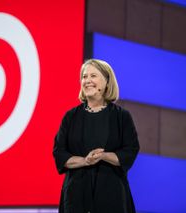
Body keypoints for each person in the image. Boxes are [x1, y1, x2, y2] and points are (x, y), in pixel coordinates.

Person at [53, 59, 140, 213]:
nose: (87, 81)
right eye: (84, 77)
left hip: (112, 195)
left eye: (93, 76)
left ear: (106, 81)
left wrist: (103, 156)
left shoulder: (122, 117)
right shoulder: (70, 117)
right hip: (76, 196)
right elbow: (59, 152)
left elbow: (130, 152)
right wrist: (85, 161)